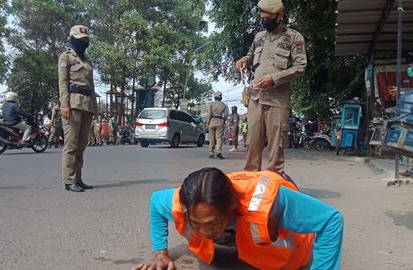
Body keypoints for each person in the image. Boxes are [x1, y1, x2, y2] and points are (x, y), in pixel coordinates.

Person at [133, 167, 343, 270]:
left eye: (212, 223)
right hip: (234, 244)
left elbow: (331, 220)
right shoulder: (184, 200)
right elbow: (155, 201)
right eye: (197, 224)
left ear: (232, 206)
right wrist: (160, 253)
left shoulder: (272, 202)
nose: (204, 232)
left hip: (285, 258)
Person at [235, 0, 307, 174]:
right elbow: (251, 55)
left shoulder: (294, 37)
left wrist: (274, 78)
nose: (264, 21)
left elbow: (300, 67)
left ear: (280, 16)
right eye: (262, 18)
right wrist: (244, 59)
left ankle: (273, 183)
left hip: (277, 101)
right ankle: (251, 181)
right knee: (252, 142)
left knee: (276, 145)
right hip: (256, 98)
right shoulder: (259, 36)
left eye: (268, 18)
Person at [58, 25, 98, 192]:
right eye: (81, 39)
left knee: (82, 144)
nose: (84, 42)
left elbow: (92, 86)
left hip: (86, 104)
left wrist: (94, 109)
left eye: (86, 40)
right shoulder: (66, 57)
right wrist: (65, 104)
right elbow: (63, 83)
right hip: (73, 104)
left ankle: (78, 178)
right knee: (71, 144)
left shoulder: (87, 61)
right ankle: (69, 180)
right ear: (73, 39)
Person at [207, 91, 228, 159]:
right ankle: (218, 152)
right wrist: (223, 121)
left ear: (214, 97)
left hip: (212, 121)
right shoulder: (224, 105)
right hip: (220, 121)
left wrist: (208, 123)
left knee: (211, 138)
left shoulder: (211, 104)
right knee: (219, 138)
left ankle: (211, 153)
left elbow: (209, 115)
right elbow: (225, 115)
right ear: (221, 97)